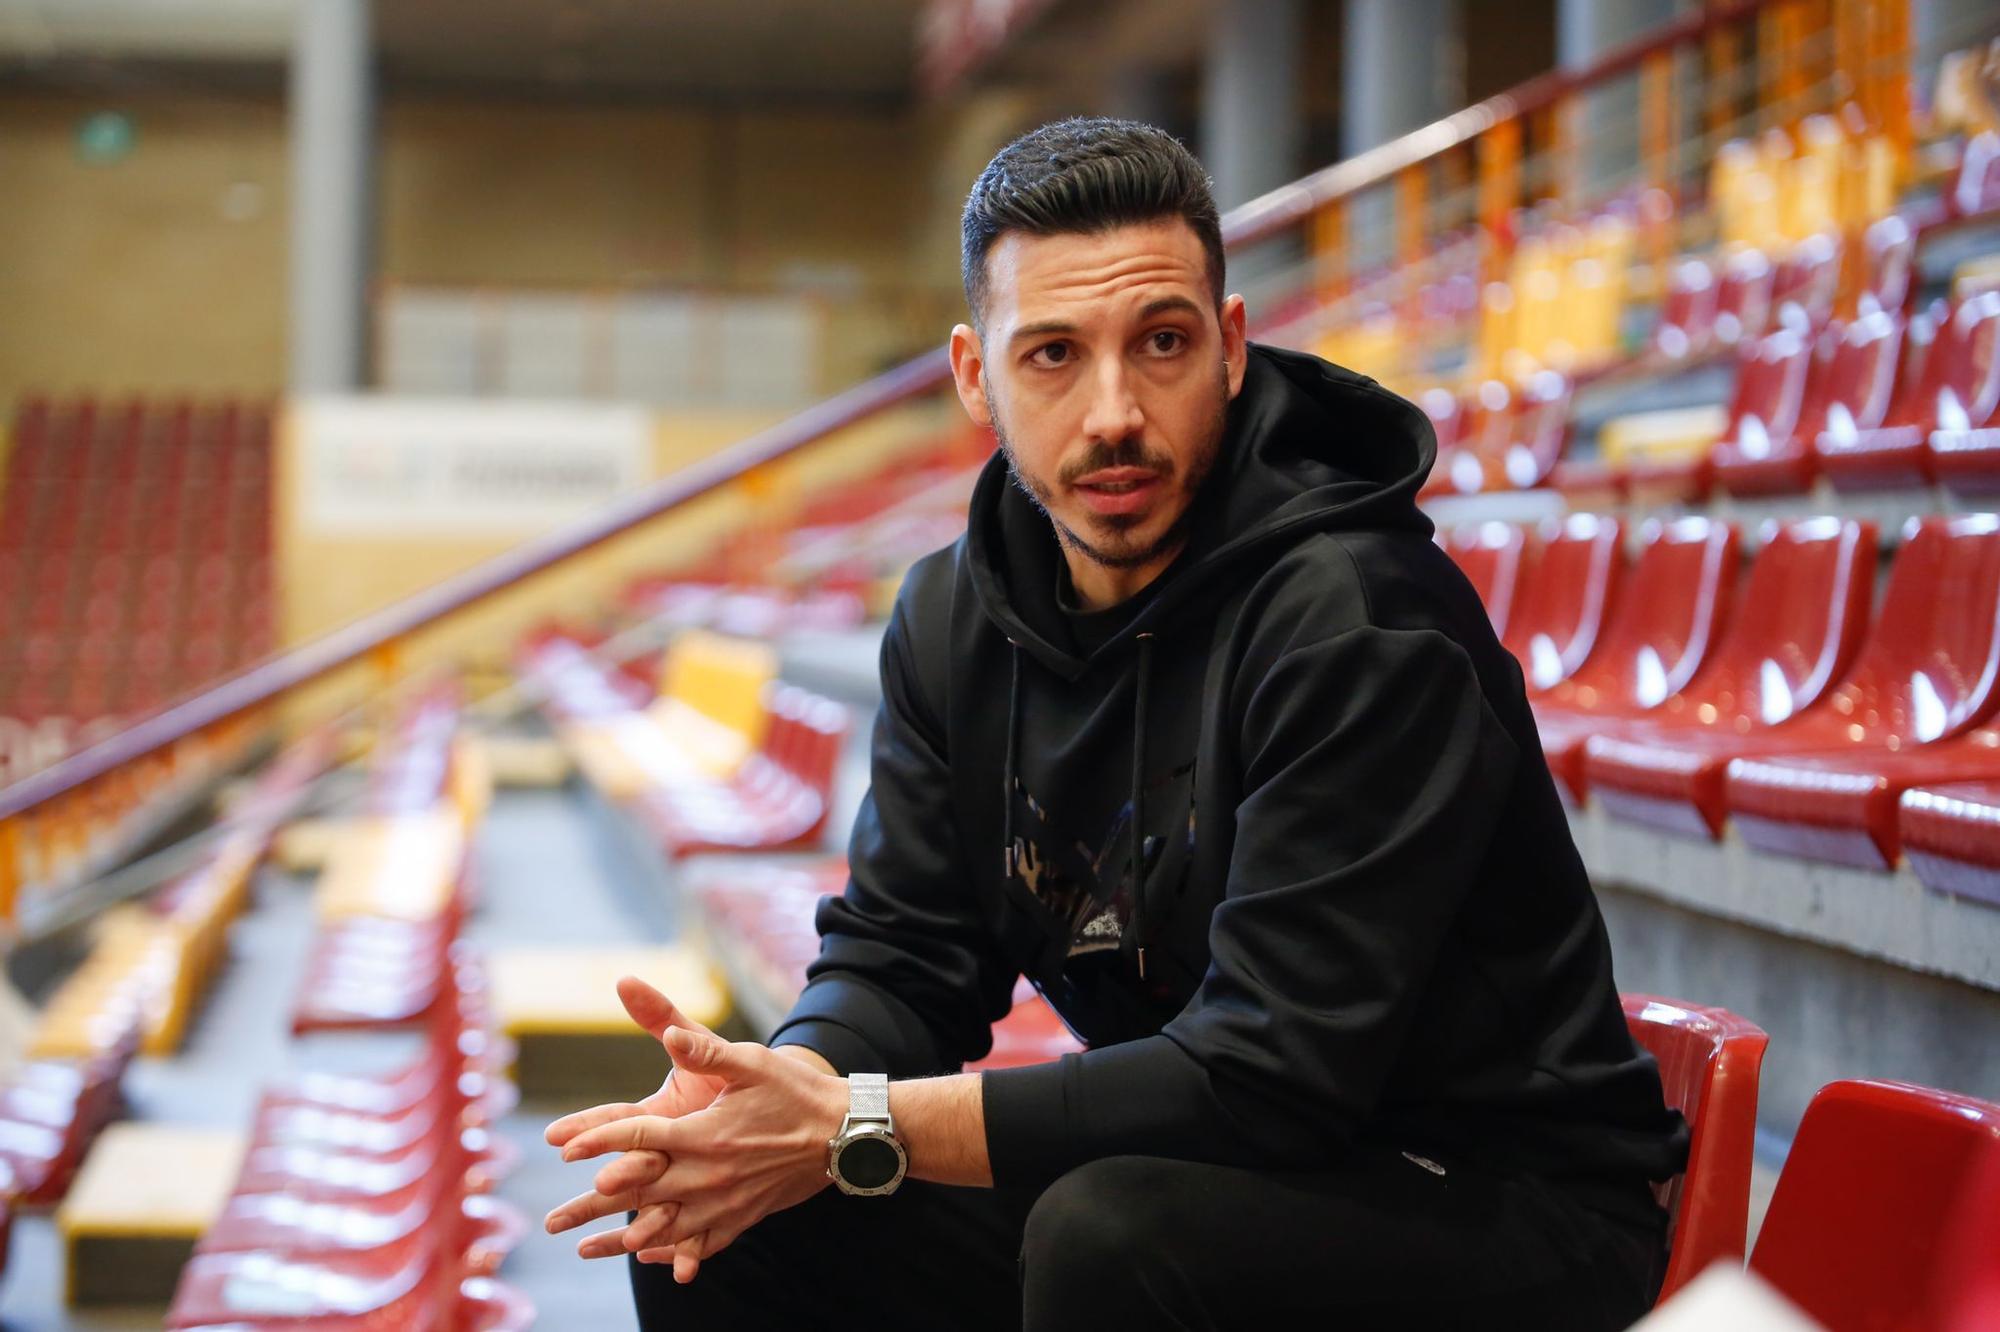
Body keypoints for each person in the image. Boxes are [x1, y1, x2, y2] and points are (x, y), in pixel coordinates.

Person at [543, 117, 1689, 1331]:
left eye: (1160, 345)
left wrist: (857, 1125)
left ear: (1231, 348)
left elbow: (1272, 1077)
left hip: (1506, 1204)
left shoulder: (1358, 622)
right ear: (974, 377)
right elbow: (902, 956)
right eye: (1050, 355)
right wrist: (780, 1091)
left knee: (1112, 1238)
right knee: (723, 1219)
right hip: (1216, 1167)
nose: (1113, 413)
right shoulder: (951, 618)